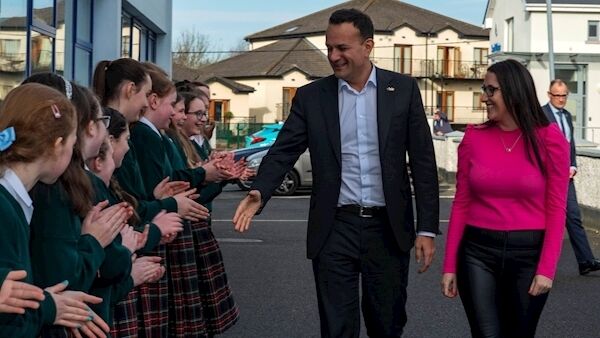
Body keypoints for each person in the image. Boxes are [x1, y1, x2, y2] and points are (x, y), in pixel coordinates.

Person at [233, 9, 439, 337]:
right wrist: (260, 190)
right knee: (337, 327)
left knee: (386, 324)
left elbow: (424, 162)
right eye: (329, 47)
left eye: (342, 48)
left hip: (388, 229)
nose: (333, 56)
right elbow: (285, 148)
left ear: (368, 45)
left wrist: (426, 228)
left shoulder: (401, 90)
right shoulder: (313, 97)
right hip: (334, 228)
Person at [441, 59, 571, 338]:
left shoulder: (551, 139)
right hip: (477, 254)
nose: (484, 97)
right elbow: (461, 203)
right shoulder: (474, 138)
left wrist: (547, 269)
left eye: (491, 90)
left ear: (513, 91)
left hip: (529, 256)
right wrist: (450, 264)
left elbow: (557, 207)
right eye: (484, 89)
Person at [0, 83, 110, 337]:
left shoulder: (13, 201)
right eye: (73, 145)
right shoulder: (6, 208)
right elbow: (10, 320)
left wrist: (48, 303)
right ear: (58, 145)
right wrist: (49, 308)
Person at [542, 79, 600, 275]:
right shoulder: (541, 115)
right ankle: (536, 265)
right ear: (549, 95)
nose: (561, 99)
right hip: (547, 178)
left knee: (574, 217)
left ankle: (585, 260)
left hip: (566, 178)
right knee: (544, 221)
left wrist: (573, 164)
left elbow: (569, 144)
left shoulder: (567, 116)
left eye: (564, 95)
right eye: (557, 95)